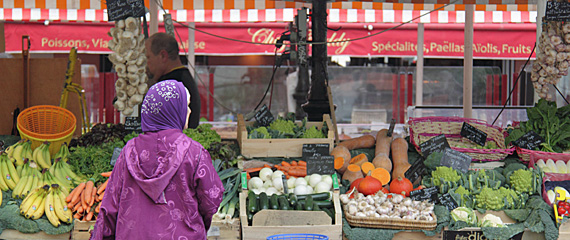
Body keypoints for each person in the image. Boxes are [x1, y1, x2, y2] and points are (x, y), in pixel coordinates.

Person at [90, 80, 224, 240]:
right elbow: (211, 200)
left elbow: (109, 207)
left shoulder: (128, 151)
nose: (189, 111)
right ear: (173, 110)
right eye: (185, 105)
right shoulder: (194, 152)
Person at [145, 32, 201, 129]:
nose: (147, 63)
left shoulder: (171, 84)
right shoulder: (182, 77)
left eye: (148, 57)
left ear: (163, 56)